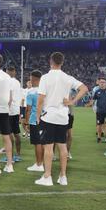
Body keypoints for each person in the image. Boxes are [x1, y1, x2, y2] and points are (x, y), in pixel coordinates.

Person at [35, 52, 88, 186]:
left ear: (50, 61)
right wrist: (72, 101)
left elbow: (40, 100)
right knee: (62, 147)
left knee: (48, 148)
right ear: (62, 62)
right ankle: (63, 176)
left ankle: (47, 177)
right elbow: (84, 88)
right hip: (63, 117)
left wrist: (37, 116)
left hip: (49, 116)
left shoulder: (45, 78)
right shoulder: (67, 77)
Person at [1, 66, 22, 163]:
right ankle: (18, 155)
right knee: (16, 133)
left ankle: (11, 156)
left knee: (8, 134)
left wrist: (5, 109)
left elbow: (8, 97)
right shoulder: (17, 82)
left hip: (9, 111)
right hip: (16, 110)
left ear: (7, 71)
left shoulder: (8, 82)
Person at [25, 70, 44, 172]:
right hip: (45, 119)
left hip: (34, 120)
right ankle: (42, 163)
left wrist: (26, 122)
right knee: (44, 143)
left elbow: (28, 108)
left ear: (33, 79)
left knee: (37, 143)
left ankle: (39, 164)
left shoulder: (31, 92)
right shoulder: (45, 90)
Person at [88, 78, 106, 143]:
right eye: (101, 82)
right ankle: (99, 137)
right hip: (99, 111)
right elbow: (93, 100)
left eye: (103, 82)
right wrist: (89, 104)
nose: (102, 83)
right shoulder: (97, 91)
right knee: (99, 125)